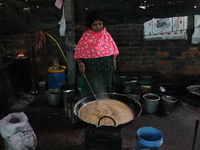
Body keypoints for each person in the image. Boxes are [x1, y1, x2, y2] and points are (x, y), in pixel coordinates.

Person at [74, 10, 119, 96]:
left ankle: (108, 103)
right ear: (90, 25)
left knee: (108, 88)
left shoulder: (106, 35)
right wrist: (80, 64)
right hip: (93, 69)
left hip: (107, 69)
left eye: (100, 24)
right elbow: (78, 54)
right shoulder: (85, 37)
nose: (98, 27)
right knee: (94, 89)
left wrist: (113, 61)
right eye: (95, 25)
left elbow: (113, 51)